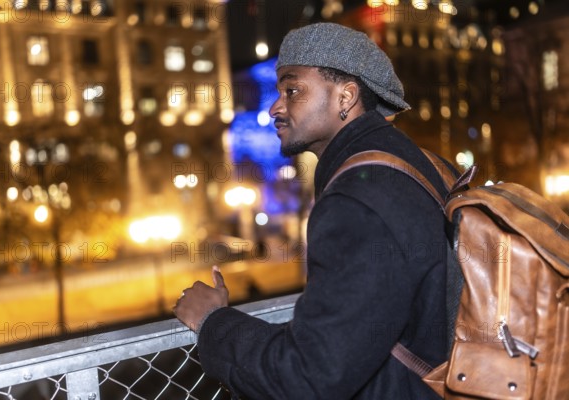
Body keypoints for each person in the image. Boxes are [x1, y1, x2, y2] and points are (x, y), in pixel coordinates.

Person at [174, 22, 451, 399]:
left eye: (292, 90)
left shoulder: (358, 201)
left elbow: (308, 376)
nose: (275, 106)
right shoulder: (417, 164)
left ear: (345, 97)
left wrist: (212, 321)